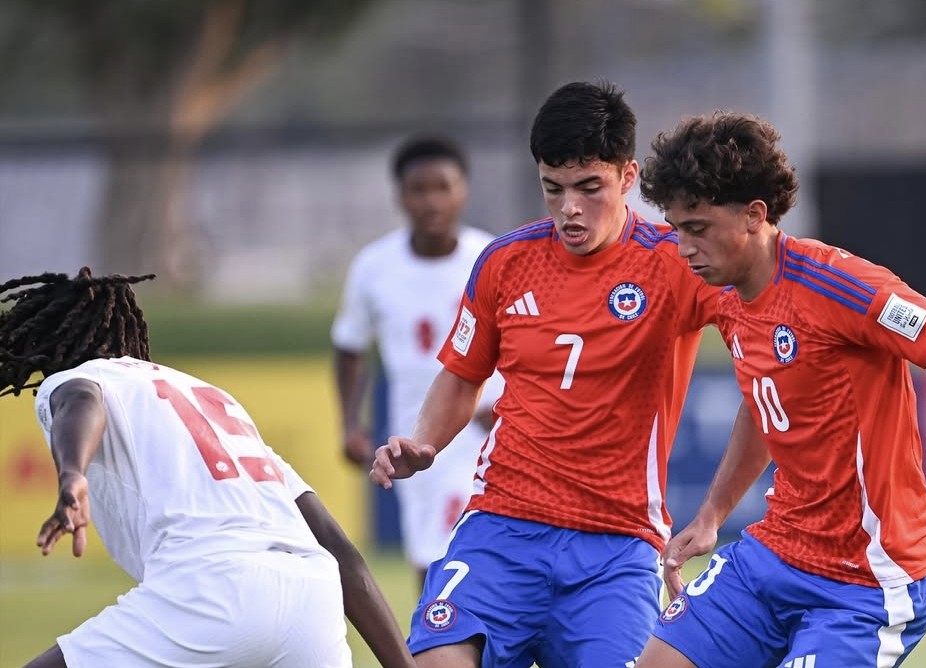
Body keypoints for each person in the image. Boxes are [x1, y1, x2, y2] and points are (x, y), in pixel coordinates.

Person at [632, 111, 926, 668]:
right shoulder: (727, 295)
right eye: (677, 228)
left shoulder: (842, 288)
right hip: (775, 556)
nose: (684, 249)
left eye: (698, 228)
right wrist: (711, 514)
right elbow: (764, 405)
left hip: (867, 583)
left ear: (755, 215)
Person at [369, 81, 723, 668]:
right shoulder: (505, 262)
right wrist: (426, 442)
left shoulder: (675, 263)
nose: (569, 209)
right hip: (503, 526)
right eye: (552, 189)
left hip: (619, 542)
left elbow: (762, 322)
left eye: (590, 188)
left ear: (628, 177)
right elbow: (461, 376)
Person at [0, 268, 416, 668]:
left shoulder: (76, 378)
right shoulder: (214, 402)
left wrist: (72, 473)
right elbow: (342, 553)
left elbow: (81, 400)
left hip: (210, 592)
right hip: (312, 600)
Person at [331, 134, 504, 589]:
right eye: (419, 189)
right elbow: (350, 346)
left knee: (494, 553)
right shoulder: (374, 266)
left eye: (442, 187)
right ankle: (438, 644)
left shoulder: (491, 257)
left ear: (463, 191)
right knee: (431, 559)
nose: (431, 201)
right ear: (400, 196)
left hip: (494, 428)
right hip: (422, 439)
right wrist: (350, 423)